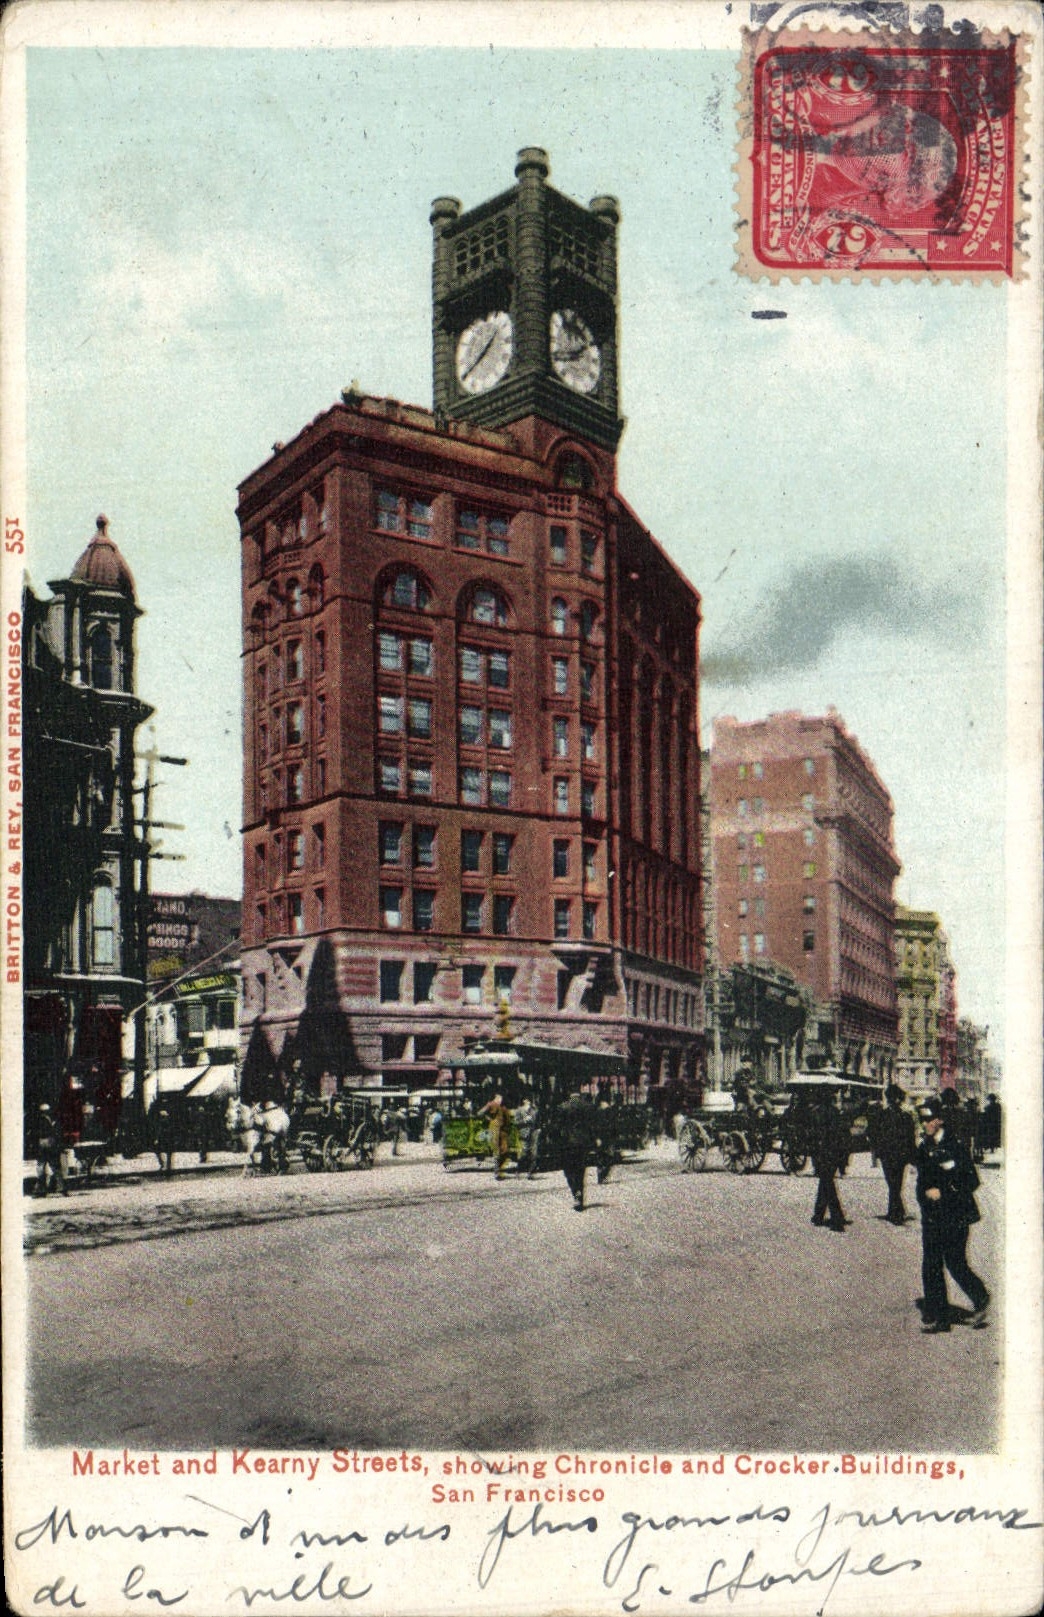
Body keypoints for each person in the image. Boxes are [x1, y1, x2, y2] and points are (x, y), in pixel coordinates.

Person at [915, 1095, 990, 1334]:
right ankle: (939, 1316)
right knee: (931, 1264)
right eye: (922, 1119)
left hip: (955, 1214)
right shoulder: (924, 1147)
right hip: (933, 1216)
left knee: (955, 1264)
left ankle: (981, 1298)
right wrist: (925, 1199)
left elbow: (971, 1181)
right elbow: (922, 1183)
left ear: (939, 1120)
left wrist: (944, 1191)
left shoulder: (955, 1146)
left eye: (928, 1119)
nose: (924, 1124)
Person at [874, 1083, 916, 1224]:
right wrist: (912, 1156)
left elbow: (876, 1135)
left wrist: (878, 1152)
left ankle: (895, 1213)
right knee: (896, 1183)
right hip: (901, 1155)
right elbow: (911, 1138)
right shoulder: (906, 1116)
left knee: (892, 1183)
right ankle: (896, 1211)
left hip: (887, 1154)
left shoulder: (882, 1115)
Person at [809, 1092, 849, 1232]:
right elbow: (842, 1136)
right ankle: (819, 1215)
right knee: (826, 1183)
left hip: (821, 1154)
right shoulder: (836, 1113)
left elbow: (812, 1136)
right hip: (833, 1153)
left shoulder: (815, 1113)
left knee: (827, 1184)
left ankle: (836, 1219)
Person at [555, 1090, 597, 1210]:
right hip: (582, 1143)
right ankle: (579, 1194)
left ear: (570, 1094)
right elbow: (592, 1126)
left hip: (567, 1143)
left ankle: (575, 1191)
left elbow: (558, 1127)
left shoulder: (563, 1107)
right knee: (580, 1169)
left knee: (568, 1170)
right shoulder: (588, 1106)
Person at [33, 1102, 67, 1197]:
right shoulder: (51, 1120)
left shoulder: (39, 1120)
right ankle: (61, 1188)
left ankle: (40, 1190)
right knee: (55, 1167)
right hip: (50, 1143)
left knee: (41, 1167)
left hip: (43, 1144)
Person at [479, 1093, 512, 1181]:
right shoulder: (490, 1104)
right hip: (494, 1130)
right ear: (496, 1098)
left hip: (503, 1131)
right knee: (497, 1151)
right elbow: (480, 1113)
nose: (500, 1100)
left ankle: (499, 1169)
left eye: (501, 1098)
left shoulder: (503, 1107)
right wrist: (489, 1119)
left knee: (505, 1151)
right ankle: (497, 1172)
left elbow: (507, 1119)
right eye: (499, 1098)